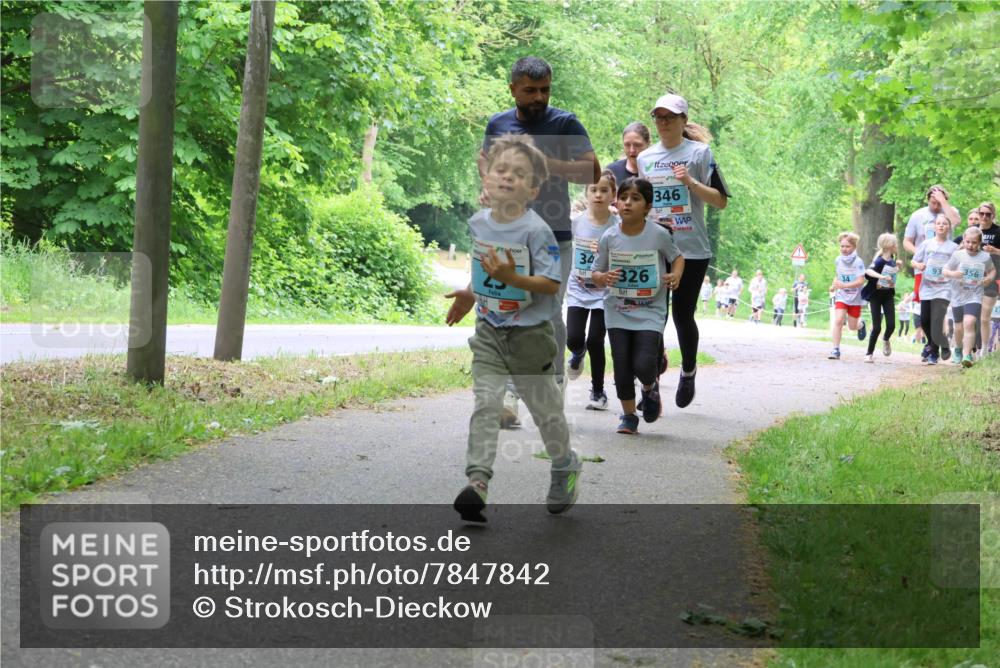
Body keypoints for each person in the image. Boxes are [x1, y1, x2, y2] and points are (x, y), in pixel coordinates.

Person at [448, 135, 581, 522]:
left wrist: (512, 277)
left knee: (546, 414)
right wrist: (470, 294)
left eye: (519, 174)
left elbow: (551, 285)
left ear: (533, 189)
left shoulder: (537, 231)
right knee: (487, 404)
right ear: (487, 176)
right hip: (490, 330)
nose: (507, 177)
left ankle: (564, 464)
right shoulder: (479, 222)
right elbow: (482, 268)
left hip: (531, 336)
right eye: (501, 169)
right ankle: (477, 483)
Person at [468, 56, 601, 429]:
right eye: (530, 90)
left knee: (546, 315)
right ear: (512, 89)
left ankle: (552, 390)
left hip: (554, 235)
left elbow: (592, 171)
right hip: (507, 233)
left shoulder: (565, 123)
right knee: (505, 310)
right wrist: (487, 183)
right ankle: (508, 397)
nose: (539, 97)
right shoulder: (498, 123)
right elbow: (485, 158)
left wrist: (545, 162)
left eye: (545, 90)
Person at [637, 93, 730, 408]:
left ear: (683, 121)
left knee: (682, 314)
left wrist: (690, 181)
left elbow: (720, 200)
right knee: (654, 316)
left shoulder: (700, 153)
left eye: (670, 117)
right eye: (659, 117)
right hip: (655, 248)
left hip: (692, 248)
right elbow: (640, 202)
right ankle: (650, 388)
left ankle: (688, 372)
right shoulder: (646, 158)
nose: (663, 123)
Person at [591, 177, 684, 435]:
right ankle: (629, 415)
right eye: (623, 198)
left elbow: (677, 258)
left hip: (650, 309)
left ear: (647, 206)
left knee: (643, 364)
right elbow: (595, 273)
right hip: (617, 309)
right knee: (621, 363)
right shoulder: (609, 237)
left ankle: (648, 388)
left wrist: (675, 275)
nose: (628, 203)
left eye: (635, 198)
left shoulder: (658, 234)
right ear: (616, 202)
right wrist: (603, 277)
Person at [566, 170, 618, 411]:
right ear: (586, 194)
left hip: (604, 293)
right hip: (578, 289)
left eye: (604, 190)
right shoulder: (576, 222)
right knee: (574, 338)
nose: (598, 195)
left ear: (613, 195)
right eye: (593, 190)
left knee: (596, 340)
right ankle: (577, 353)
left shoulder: (617, 225)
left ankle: (598, 392)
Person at [944, 226, 997, 367]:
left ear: (980, 242)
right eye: (968, 241)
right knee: (958, 328)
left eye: (974, 242)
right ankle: (958, 349)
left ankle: (967, 355)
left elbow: (992, 270)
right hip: (958, 295)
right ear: (964, 240)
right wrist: (953, 274)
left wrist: (989, 279)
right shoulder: (958, 255)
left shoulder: (985, 257)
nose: (970, 245)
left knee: (969, 322)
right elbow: (945, 270)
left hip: (975, 295)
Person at [912, 214, 959, 364]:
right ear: (934, 227)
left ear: (949, 227)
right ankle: (943, 341)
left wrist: (951, 273)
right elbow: (914, 261)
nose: (941, 226)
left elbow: (958, 265)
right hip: (927, 286)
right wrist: (918, 266)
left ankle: (933, 352)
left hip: (944, 287)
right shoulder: (926, 244)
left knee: (937, 319)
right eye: (938, 223)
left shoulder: (953, 247)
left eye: (944, 224)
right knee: (925, 320)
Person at [904, 185, 960, 308]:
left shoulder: (950, 211)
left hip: (945, 268)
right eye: (932, 203)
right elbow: (907, 241)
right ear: (927, 200)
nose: (935, 206)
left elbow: (956, 221)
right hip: (924, 268)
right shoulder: (917, 215)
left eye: (938, 203)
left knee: (944, 305)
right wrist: (920, 253)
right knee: (922, 306)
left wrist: (943, 201)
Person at [828, 232, 868, 360]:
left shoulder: (858, 262)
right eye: (842, 246)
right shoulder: (838, 260)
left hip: (855, 298)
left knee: (852, 326)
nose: (844, 249)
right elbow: (838, 275)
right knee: (838, 320)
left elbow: (861, 281)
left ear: (854, 247)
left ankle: (861, 324)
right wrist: (834, 284)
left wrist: (844, 285)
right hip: (842, 296)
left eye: (847, 246)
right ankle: (835, 349)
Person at [861, 232, 899, 362]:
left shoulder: (893, 262)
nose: (897, 246)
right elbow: (868, 271)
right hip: (875, 297)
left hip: (888, 295)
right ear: (890, 245)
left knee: (892, 325)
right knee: (877, 327)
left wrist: (892, 281)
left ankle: (886, 339)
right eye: (895, 243)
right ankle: (869, 353)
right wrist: (881, 277)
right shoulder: (878, 260)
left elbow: (892, 279)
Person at [975, 202, 999, 358]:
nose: (984, 217)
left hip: (992, 277)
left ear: (993, 215)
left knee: (984, 317)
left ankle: (984, 349)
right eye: (982, 213)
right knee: (971, 316)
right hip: (972, 278)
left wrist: (995, 250)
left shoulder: (998, 231)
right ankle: (969, 349)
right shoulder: (973, 231)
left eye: (988, 214)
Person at [606, 122, 651, 189]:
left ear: (648, 144)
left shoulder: (658, 169)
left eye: (637, 145)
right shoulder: (612, 171)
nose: (632, 150)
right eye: (627, 145)